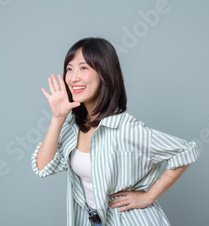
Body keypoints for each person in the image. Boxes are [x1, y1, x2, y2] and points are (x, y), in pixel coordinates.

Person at [31, 37, 200, 226]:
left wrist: (148, 197)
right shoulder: (72, 127)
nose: (73, 77)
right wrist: (58, 118)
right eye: (69, 68)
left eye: (84, 68)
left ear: (105, 74)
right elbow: (43, 167)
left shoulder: (125, 128)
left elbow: (185, 151)